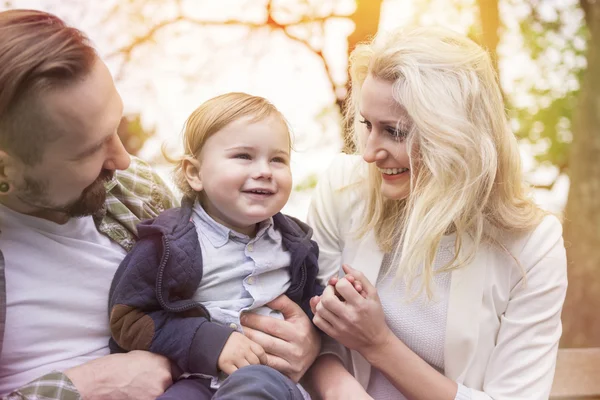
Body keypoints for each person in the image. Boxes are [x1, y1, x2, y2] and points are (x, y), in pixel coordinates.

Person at [0, 9, 320, 399]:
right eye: (89, 149)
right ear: (5, 170)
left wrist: (305, 340)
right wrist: (88, 386)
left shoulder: (135, 190)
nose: (121, 160)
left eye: (115, 128)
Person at [305, 26, 568, 400]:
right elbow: (311, 327)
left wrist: (379, 344)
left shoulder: (532, 245)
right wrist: (339, 390)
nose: (369, 153)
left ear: (457, 137)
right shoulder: (344, 189)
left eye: (395, 132)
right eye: (367, 125)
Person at [108, 92, 323, 400]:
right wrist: (206, 341)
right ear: (195, 173)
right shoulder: (169, 241)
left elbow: (312, 305)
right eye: (244, 156)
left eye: (278, 159)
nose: (264, 170)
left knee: (254, 388)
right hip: (192, 378)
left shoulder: (294, 243)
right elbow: (127, 318)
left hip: (269, 378)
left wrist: (329, 308)